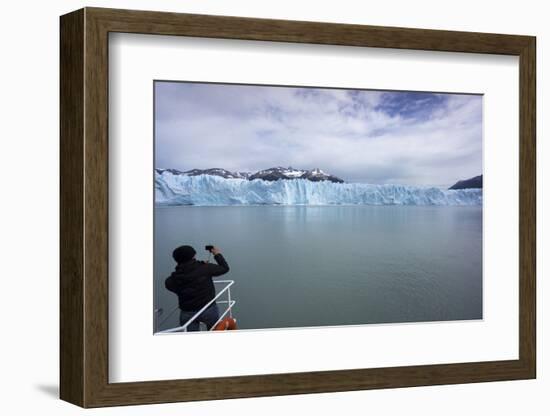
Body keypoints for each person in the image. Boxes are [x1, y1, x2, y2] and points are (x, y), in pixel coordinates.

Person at [165, 245, 230, 331]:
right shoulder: (205, 268)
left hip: (187, 312)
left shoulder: (173, 278)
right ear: (193, 256)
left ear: (177, 260)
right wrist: (217, 254)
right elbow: (224, 268)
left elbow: (169, 285)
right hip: (208, 309)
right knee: (214, 332)